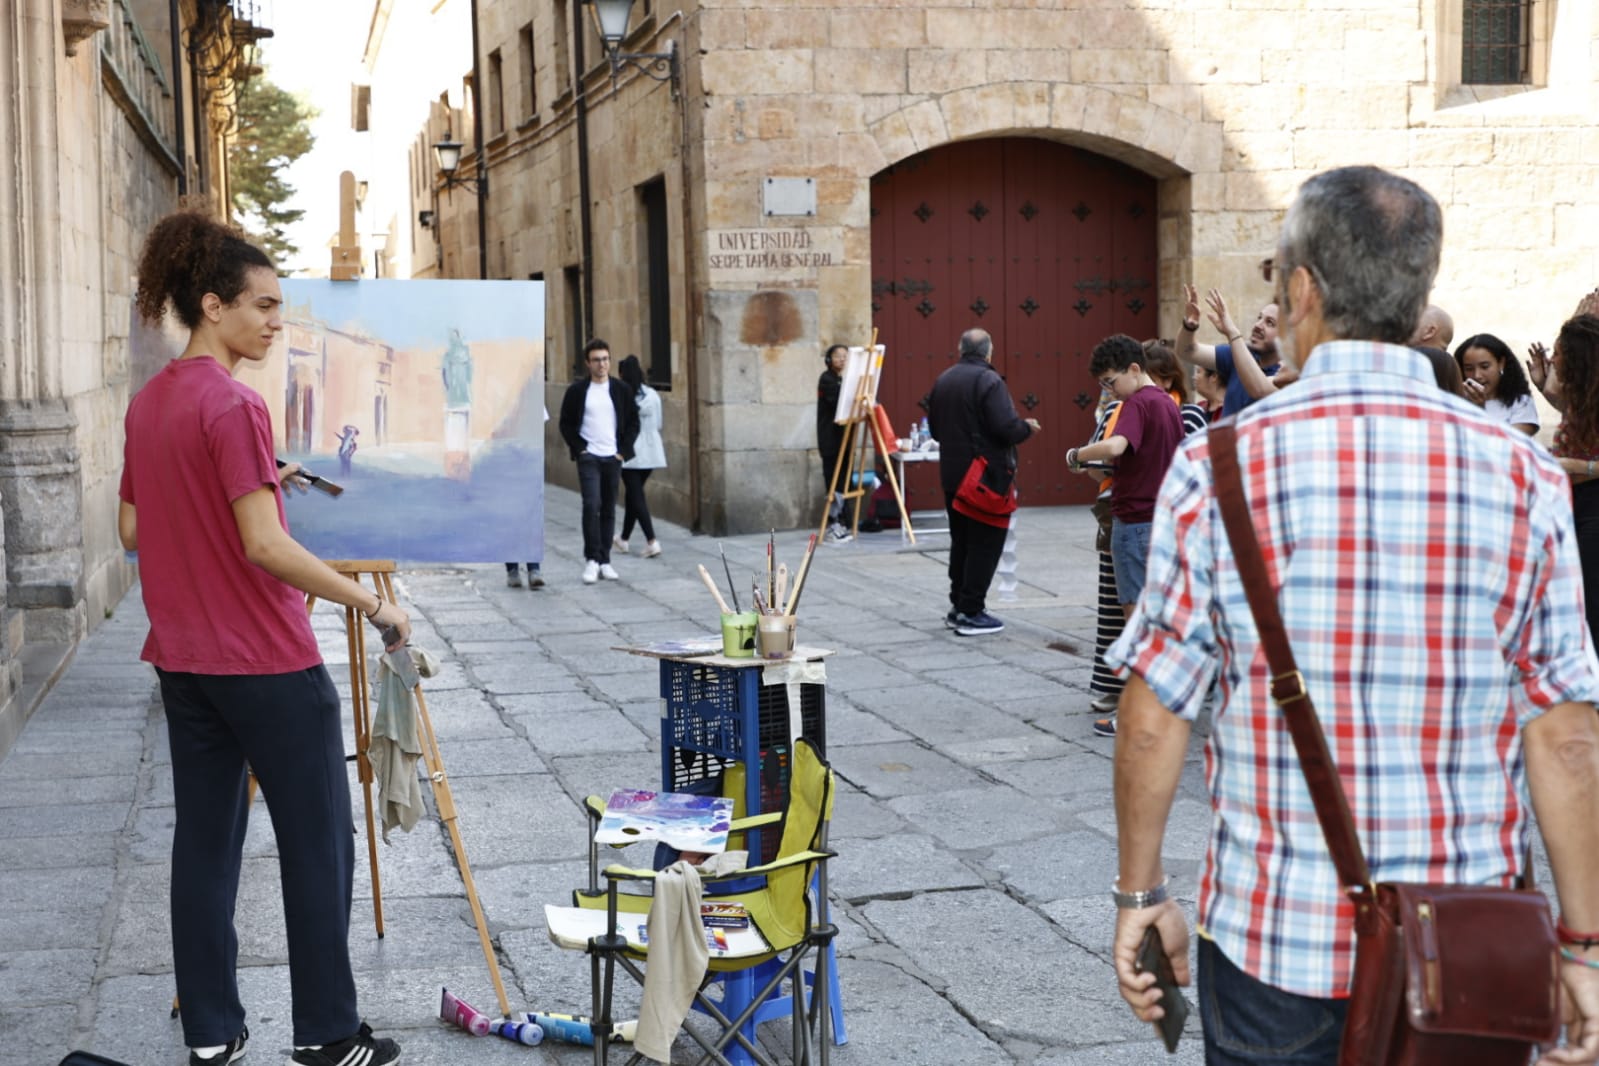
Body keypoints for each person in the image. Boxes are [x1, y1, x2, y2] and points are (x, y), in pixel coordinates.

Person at [1105, 166, 1599, 1064]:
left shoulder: (1217, 466)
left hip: (1270, 937)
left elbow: (1154, 712)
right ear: (1417, 297)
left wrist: (1141, 896)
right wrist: (1580, 943)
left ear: (1300, 291)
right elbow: (1563, 732)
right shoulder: (1522, 472)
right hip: (1464, 942)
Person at [120, 209, 407, 1066]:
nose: (278, 322)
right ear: (213, 305)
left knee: (203, 845)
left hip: (183, 661)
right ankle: (326, 1033)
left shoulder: (149, 403)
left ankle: (212, 1033)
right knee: (318, 844)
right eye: (265, 306)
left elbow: (135, 529)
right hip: (266, 662)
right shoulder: (235, 404)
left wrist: (249, 484)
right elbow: (264, 545)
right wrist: (371, 604)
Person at [1067, 335, 1185, 737]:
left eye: (1109, 381)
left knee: (1136, 627)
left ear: (1135, 370)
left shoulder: (1136, 404)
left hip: (1134, 525)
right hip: (1164, 525)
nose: (1108, 391)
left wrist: (1077, 455)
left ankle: (1138, 714)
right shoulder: (1169, 406)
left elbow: (1116, 446)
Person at [926, 327, 1039, 636]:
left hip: (952, 476)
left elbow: (935, 431)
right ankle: (971, 610)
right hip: (984, 477)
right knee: (985, 543)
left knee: (961, 542)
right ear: (989, 352)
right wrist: (1026, 428)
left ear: (961, 350)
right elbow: (1005, 428)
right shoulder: (989, 380)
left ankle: (958, 605)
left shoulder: (944, 380)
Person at [558, 338, 639, 585]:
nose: (601, 364)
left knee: (608, 508)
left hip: (612, 457)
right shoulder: (577, 392)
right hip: (589, 457)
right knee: (591, 504)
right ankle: (592, 559)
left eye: (605, 359)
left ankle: (605, 560)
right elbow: (566, 423)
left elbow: (634, 422)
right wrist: (581, 449)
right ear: (587, 363)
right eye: (596, 360)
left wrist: (622, 452)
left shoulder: (621, 390)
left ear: (610, 361)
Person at [1542, 314, 1599, 652]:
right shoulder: (1580, 401)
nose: (1552, 359)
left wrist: (1575, 465)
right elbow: (1553, 389)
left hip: (1593, 507)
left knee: (1590, 601)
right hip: (1572, 504)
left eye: (1558, 353)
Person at [1174, 285, 1283, 416]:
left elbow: (1260, 389)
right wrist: (1189, 326)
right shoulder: (1237, 355)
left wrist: (1232, 333)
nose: (1258, 325)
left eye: (1269, 323)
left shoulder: (1286, 373)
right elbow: (1186, 351)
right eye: (1259, 318)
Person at [615, 354, 664, 558]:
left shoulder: (623, 396)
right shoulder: (653, 395)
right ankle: (623, 539)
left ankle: (651, 541)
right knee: (634, 495)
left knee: (636, 496)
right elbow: (659, 422)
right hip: (652, 450)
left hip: (631, 452)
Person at [1456, 331, 1539, 435]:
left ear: (1501, 364)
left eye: (1485, 367)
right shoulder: (1456, 402)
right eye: (1469, 369)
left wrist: (1480, 411)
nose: (1477, 375)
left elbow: (1513, 445)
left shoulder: (1520, 403)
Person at [817, 344, 850, 541]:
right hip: (830, 438)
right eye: (838, 356)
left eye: (845, 357)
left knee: (844, 479)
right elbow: (838, 402)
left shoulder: (841, 379)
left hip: (843, 439)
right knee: (833, 480)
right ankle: (833, 522)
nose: (842, 360)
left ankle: (844, 520)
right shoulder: (827, 379)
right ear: (829, 359)